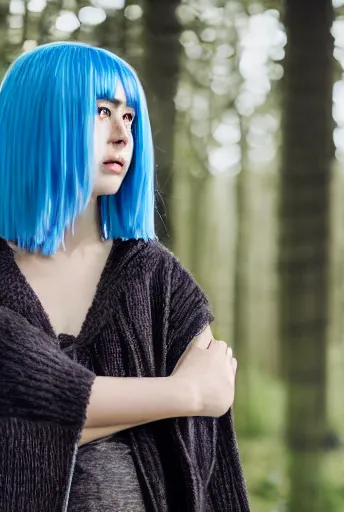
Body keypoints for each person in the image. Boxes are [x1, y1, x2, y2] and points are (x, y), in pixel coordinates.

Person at [0, 42, 249, 511]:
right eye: (101, 111)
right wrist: (182, 393)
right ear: (37, 122)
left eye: (129, 117)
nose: (122, 134)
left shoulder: (160, 281)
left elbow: (208, 455)